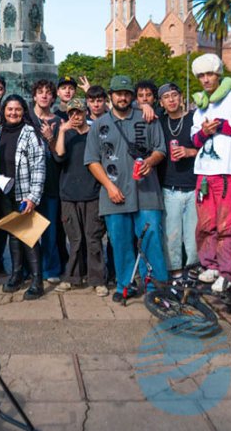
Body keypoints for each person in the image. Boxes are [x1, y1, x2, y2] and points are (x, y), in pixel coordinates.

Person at [84, 75, 168, 302]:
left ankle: (155, 287)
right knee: (120, 243)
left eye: (126, 94)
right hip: (114, 194)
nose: (122, 97)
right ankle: (126, 285)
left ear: (131, 96)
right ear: (110, 96)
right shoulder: (99, 124)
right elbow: (92, 161)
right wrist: (109, 187)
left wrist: (150, 162)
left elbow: (161, 149)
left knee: (150, 239)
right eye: (118, 93)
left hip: (147, 193)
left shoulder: (147, 118)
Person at [189, 54, 231, 294]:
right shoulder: (201, 106)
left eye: (210, 74)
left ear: (218, 75)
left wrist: (215, 124)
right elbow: (195, 139)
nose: (206, 80)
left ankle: (229, 273)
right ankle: (212, 265)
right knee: (205, 225)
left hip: (227, 171)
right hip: (205, 172)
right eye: (202, 76)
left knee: (227, 225)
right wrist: (205, 132)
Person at [0, 95, 47, 299]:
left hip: (24, 193)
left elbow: (39, 166)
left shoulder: (30, 133)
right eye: (9, 109)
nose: (13, 113)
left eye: (17, 109)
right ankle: (17, 274)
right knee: (14, 235)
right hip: (2, 192)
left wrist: (33, 196)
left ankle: (37, 280)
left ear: (24, 111)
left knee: (29, 236)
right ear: (3, 111)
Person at [54, 98, 107, 296]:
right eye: (72, 113)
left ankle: (98, 278)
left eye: (79, 112)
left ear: (86, 113)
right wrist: (61, 131)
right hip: (68, 194)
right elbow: (59, 155)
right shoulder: (65, 134)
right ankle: (73, 276)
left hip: (91, 193)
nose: (76, 117)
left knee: (92, 238)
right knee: (75, 238)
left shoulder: (95, 134)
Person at [156, 83, 199, 284]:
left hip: (193, 186)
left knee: (193, 237)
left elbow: (212, 148)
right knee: (172, 235)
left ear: (181, 97)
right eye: (166, 97)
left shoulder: (194, 119)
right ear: (161, 102)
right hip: (170, 187)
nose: (171, 100)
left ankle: (192, 272)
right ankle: (175, 274)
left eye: (174, 95)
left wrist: (191, 152)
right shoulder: (159, 122)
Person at [28, 79, 64, 283]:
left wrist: (50, 138)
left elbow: (60, 155)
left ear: (53, 97)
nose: (44, 95)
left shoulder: (59, 122)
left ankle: (51, 269)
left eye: (48, 92)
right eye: (40, 92)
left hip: (51, 182)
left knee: (50, 231)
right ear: (34, 95)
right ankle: (29, 269)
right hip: (28, 183)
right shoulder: (25, 118)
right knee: (28, 230)